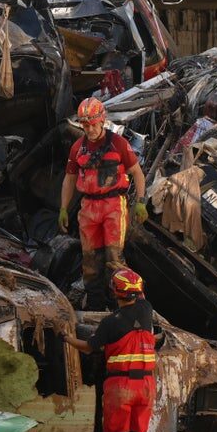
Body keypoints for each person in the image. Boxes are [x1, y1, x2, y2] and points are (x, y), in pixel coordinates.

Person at [58, 268, 157, 432]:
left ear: (115, 293)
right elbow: (139, 294)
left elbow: (90, 347)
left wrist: (66, 338)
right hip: (146, 386)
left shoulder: (110, 324)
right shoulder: (146, 311)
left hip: (121, 387)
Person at [59, 97, 148, 310]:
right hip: (89, 207)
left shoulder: (118, 143)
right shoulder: (78, 148)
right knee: (90, 259)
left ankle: (121, 304)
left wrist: (141, 202)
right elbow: (69, 178)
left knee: (114, 257)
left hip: (113, 205)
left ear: (102, 120)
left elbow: (137, 173)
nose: (89, 129)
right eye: (85, 125)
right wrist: (63, 208)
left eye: (92, 124)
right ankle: (95, 306)